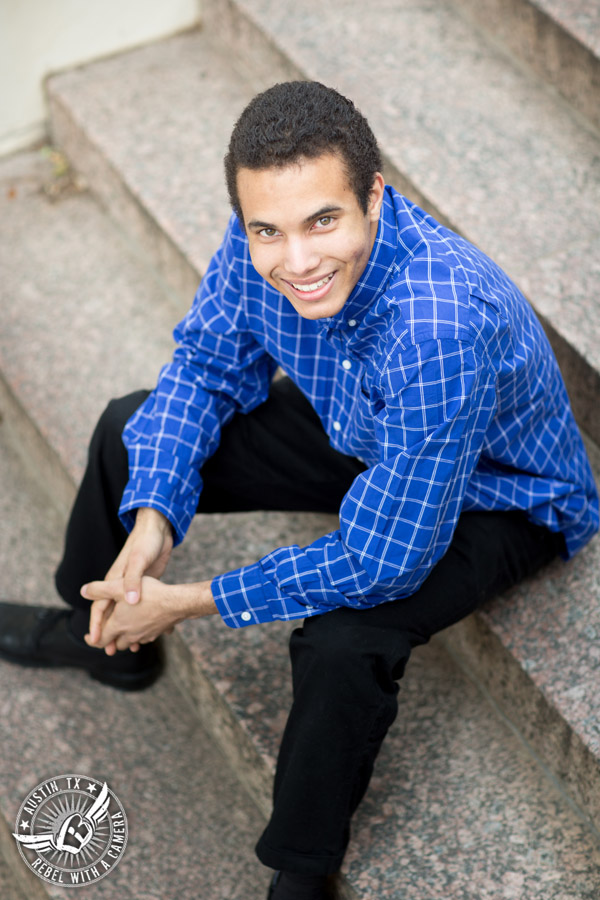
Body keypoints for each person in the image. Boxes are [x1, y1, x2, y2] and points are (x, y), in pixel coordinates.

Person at [1, 81, 598, 900]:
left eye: (324, 220)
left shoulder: (440, 326)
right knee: (129, 426)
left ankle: (303, 867)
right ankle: (101, 629)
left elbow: (385, 556)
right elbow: (207, 369)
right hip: (366, 431)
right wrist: (152, 519)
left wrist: (187, 598)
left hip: (499, 494)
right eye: (268, 230)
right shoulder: (267, 246)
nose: (299, 260)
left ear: (374, 197)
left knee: (344, 639)